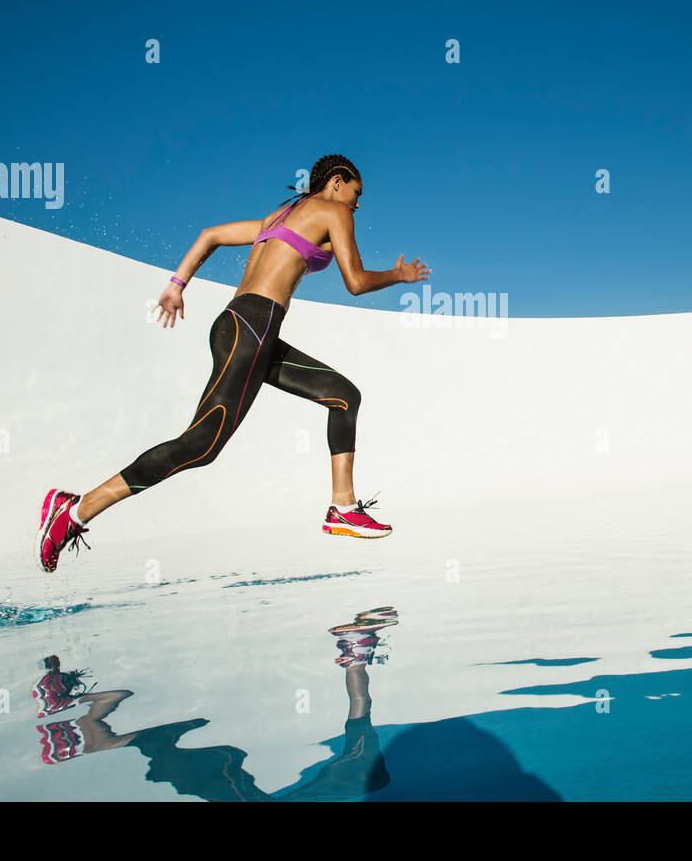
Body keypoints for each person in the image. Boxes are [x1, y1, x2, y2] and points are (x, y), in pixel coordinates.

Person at [33, 154, 429, 572]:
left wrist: (176, 285)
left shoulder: (278, 218)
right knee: (199, 445)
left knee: (343, 397)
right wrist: (398, 276)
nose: (357, 204)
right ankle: (73, 512)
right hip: (253, 328)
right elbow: (356, 281)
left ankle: (342, 508)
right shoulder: (333, 210)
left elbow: (210, 235)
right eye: (356, 193)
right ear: (337, 182)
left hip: (243, 327)